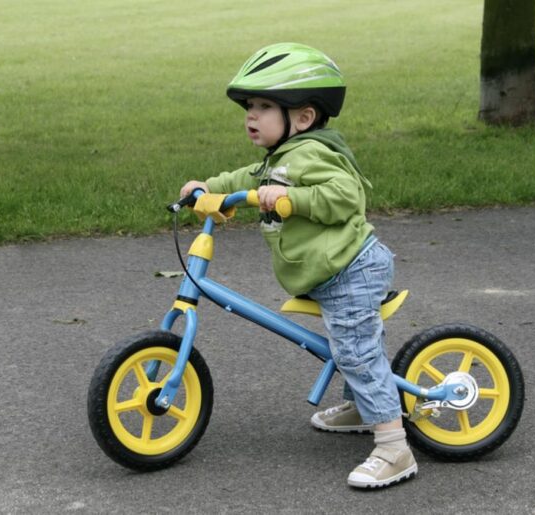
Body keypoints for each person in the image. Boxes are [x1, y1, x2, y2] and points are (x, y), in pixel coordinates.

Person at [179, 42, 417, 489]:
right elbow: (244, 179)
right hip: (329, 274)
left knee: (355, 350)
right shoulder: (280, 158)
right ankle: (364, 407)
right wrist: (205, 187)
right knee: (349, 343)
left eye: (265, 106)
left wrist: (292, 199)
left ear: (303, 118)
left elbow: (347, 196)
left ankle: (393, 447)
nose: (251, 115)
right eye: (250, 106)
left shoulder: (313, 155)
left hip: (352, 270)